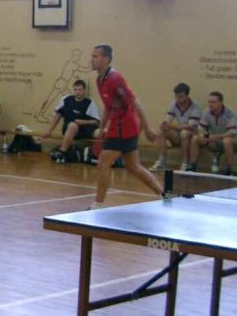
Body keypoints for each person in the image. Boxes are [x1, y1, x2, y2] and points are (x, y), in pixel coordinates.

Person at [89, 44, 165, 210]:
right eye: (92, 56)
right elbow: (108, 107)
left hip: (125, 127)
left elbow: (135, 102)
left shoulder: (115, 79)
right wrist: (102, 128)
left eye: (95, 56)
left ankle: (98, 204)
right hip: (116, 126)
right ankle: (164, 194)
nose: (92, 60)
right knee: (133, 167)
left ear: (106, 59)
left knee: (103, 162)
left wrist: (147, 128)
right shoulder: (99, 80)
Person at [44, 79, 99, 163]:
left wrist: (82, 122)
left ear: (84, 90)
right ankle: (63, 152)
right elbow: (58, 116)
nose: (77, 92)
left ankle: (62, 152)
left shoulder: (89, 102)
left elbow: (96, 122)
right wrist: (49, 131)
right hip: (67, 128)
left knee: (73, 125)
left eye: (80, 89)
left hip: (82, 130)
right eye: (75, 90)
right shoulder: (67, 99)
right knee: (71, 125)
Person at [150, 83, 202, 171]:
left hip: (192, 136)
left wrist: (172, 126)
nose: (178, 99)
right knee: (160, 131)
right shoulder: (173, 104)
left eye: (181, 97)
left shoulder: (195, 106)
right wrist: (164, 125)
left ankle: (186, 162)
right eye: (176, 96)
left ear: (187, 96)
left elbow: (191, 127)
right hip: (179, 135)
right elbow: (168, 121)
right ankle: (161, 161)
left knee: (184, 133)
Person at [189, 91, 235, 175]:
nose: (210, 104)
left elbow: (232, 133)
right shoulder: (207, 111)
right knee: (195, 138)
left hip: (230, 141)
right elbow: (201, 128)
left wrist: (214, 137)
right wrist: (203, 135)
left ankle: (229, 171)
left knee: (226, 141)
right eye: (209, 102)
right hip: (213, 142)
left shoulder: (229, 113)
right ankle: (192, 166)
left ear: (220, 102)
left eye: (213, 102)